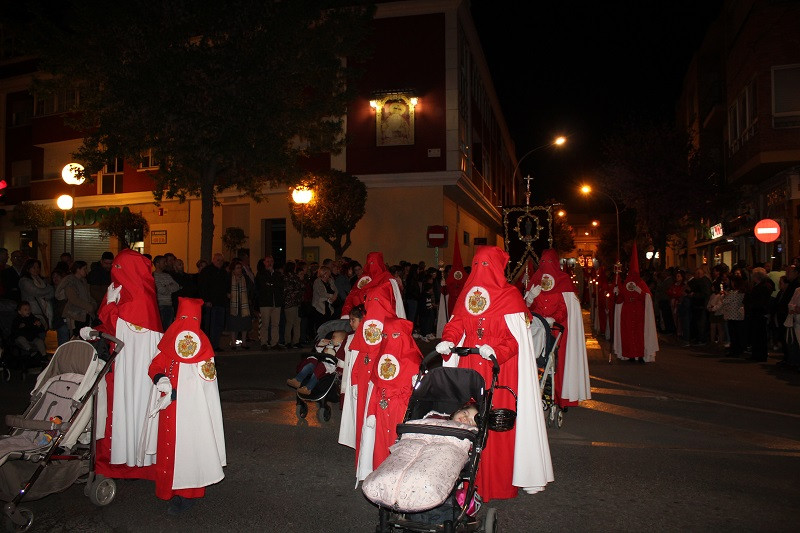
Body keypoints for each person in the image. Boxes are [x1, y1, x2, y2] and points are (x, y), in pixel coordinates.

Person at [436, 245, 553, 501]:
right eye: (477, 265)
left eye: (486, 265)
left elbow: (516, 341)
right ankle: (466, 478)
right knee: (466, 420)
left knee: (497, 424)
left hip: (500, 371)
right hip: (470, 368)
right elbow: (456, 324)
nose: (481, 271)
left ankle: (498, 481)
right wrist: (448, 339)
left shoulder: (510, 296)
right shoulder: (466, 294)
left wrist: (496, 350)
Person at [140, 297, 225, 515]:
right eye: (183, 318)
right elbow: (155, 364)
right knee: (169, 448)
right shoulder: (169, 340)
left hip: (190, 412)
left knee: (190, 450)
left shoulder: (203, 350)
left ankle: (188, 493)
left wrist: (181, 394)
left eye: (192, 319)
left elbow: (206, 386)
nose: (187, 324)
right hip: (168, 407)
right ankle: (170, 489)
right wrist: (161, 379)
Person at [94, 249, 163, 480]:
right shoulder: (140, 292)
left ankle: (132, 460)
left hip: (131, 367)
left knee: (130, 407)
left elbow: (119, 326)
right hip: (128, 362)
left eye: (119, 268)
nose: (115, 272)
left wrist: (109, 305)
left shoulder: (138, 297)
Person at [524, 248, 591, 408]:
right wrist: (530, 297)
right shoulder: (535, 279)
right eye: (543, 262)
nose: (546, 265)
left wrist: (554, 319)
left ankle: (560, 396)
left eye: (549, 262)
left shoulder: (564, 280)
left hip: (558, 330)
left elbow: (566, 307)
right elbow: (526, 308)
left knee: (559, 362)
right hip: (537, 328)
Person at [367, 316, 422, 469]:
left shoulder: (413, 361)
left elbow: (419, 394)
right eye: (385, 335)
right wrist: (371, 412)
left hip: (401, 408)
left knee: (400, 446)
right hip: (382, 408)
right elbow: (375, 387)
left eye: (395, 335)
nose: (389, 339)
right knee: (381, 446)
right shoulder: (380, 359)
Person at [613, 244, 659, 363]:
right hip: (627, 313)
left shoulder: (641, 283)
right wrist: (617, 292)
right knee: (628, 334)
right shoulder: (626, 283)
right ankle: (630, 355)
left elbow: (648, 298)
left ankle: (641, 354)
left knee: (640, 334)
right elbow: (620, 300)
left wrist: (640, 291)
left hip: (639, 313)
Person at [287, 330, 347, 395]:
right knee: (310, 365)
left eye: (334, 337)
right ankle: (297, 380)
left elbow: (341, 361)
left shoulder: (341, 349)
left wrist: (332, 353)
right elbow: (318, 349)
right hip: (319, 361)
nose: (331, 339)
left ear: (341, 341)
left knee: (319, 368)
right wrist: (322, 343)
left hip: (328, 366)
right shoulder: (329, 344)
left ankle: (308, 388)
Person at [337, 304, 364, 448]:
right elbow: (342, 356)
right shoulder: (349, 337)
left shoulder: (367, 338)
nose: (350, 323)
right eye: (350, 320)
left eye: (353, 320)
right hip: (350, 379)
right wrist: (341, 369)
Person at [55, 261, 97, 336]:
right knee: (77, 337)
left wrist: (93, 304)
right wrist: (90, 307)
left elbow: (88, 296)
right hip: (75, 315)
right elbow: (73, 299)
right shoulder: (70, 281)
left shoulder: (83, 281)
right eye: (84, 269)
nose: (86, 271)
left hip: (84, 314)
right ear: (78, 269)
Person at [198, 253, 229, 352]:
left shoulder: (224, 272)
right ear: (213, 260)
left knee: (219, 325)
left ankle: (215, 345)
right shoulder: (207, 271)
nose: (219, 262)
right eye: (218, 260)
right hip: (211, 303)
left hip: (221, 302)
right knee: (210, 326)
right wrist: (206, 300)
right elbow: (203, 287)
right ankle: (208, 346)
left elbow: (226, 286)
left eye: (221, 260)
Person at [255, 255, 284, 349]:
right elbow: (262, 287)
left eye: (271, 261)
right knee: (265, 324)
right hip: (266, 302)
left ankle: (274, 342)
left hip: (276, 302)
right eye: (268, 261)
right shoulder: (261, 274)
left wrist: (271, 284)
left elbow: (280, 286)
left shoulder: (277, 274)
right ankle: (264, 342)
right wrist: (271, 285)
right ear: (264, 263)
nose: (270, 263)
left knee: (275, 324)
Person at [19, 259, 54, 335]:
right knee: (37, 333)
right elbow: (37, 292)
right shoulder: (25, 281)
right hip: (32, 311)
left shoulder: (42, 280)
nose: (36, 270)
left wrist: (47, 293)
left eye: (38, 267)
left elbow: (51, 293)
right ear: (28, 268)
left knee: (44, 332)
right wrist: (48, 289)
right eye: (33, 267)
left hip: (45, 310)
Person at [227, 259, 253, 349]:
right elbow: (225, 288)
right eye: (237, 268)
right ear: (233, 269)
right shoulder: (229, 278)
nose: (239, 270)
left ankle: (244, 342)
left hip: (244, 304)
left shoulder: (245, 278)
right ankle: (233, 343)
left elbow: (252, 285)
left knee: (244, 323)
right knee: (233, 324)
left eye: (240, 268)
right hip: (233, 305)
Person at [153, 255, 181, 329]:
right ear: (157, 263)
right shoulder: (153, 276)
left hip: (169, 305)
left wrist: (166, 286)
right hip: (160, 306)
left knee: (168, 329)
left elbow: (176, 286)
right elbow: (161, 290)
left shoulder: (167, 275)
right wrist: (169, 285)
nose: (166, 264)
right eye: (164, 262)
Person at [282, 261, 304, 349]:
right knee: (294, 323)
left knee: (292, 323)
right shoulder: (292, 277)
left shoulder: (285, 277)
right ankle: (293, 341)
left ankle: (291, 341)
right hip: (293, 303)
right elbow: (300, 287)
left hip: (290, 303)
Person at [311, 265, 338, 332]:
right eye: (328, 272)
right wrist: (332, 296)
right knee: (320, 324)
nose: (329, 274)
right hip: (320, 306)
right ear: (324, 273)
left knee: (328, 324)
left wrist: (334, 296)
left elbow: (336, 290)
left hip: (329, 305)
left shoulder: (330, 281)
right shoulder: (317, 282)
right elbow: (321, 293)